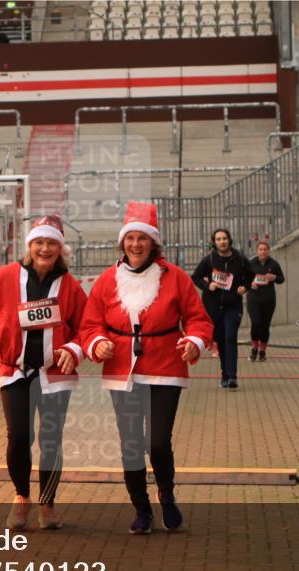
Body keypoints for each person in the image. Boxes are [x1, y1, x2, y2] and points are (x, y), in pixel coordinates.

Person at [79, 202, 213, 535]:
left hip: (165, 368)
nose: (136, 244)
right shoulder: (107, 280)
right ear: (122, 243)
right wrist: (97, 343)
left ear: (153, 243)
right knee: (130, 444)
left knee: (157, 442)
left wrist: (194, 341)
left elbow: (198, 319)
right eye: (130, 238)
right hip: (121, 371)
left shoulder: (176, 278)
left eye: (142, 238)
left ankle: (166, 495)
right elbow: (90, 324)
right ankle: (141, 508)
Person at [0, 215, 87, 530]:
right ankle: (21, 495)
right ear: (30, 246)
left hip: (54, 373)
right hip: (14, 370)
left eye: (52, 243)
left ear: (60, 249)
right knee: (18, 436)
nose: (45, 249)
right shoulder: (5, 277)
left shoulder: (70, 286)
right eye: (39, 242)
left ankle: (47, 501)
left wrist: (74, 349)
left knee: (51, 439)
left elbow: (87, 327)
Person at [190, 228, 251, 390]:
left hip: (233, 305)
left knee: (230, 337)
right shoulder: (209, 259)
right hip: (213, 306)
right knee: (221, 340)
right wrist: (207, 285)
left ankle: (232, 376)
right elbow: (195, 277)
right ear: (214, 242)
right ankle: (225, 373)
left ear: (229, 240)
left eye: (224, 238)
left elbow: (251, 275)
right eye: (218, 239)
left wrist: (244, 287)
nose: (222, 242)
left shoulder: (240, 259)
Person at [246, 238, 286, 362]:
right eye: (260, 249)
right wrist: (249, 283)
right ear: (257, 251)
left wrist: (274, 277)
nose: (263, 252)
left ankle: (262, 351)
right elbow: (242, 278)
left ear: (268, 251)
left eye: (265, 249)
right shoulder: (251, 263)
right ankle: (254, 348)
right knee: (256, 323)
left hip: (268, 299)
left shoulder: (273, 264)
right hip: (253, 299)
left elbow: (281, 279)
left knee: (265, 325)